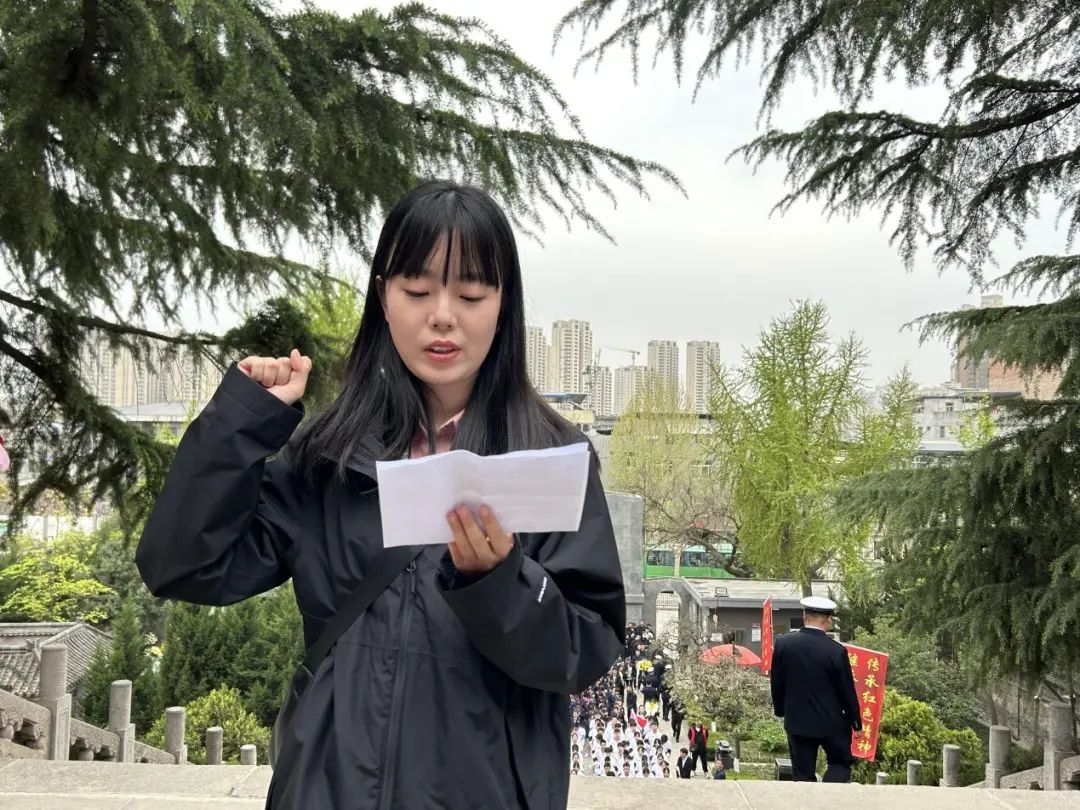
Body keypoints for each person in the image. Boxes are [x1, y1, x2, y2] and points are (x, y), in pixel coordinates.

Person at [136, 181, 627, 810]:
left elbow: (585, 652)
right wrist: (240, 424)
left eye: (471, 294)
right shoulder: (328, 455)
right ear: (383, 298)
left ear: (503, 304)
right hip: (327, 789)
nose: (442, 316)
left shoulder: (548, 460)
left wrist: (500, 583)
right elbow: (185, 567)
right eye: (417, 291)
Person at [769, 596, 862, 783]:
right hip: (832, 723)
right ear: (829, 619)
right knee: (840, 764)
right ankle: (830, 794)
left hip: (798, 721)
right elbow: (847, 691)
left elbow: (777, 683)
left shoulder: (784, 644)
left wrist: (781, 711)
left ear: (804, 615)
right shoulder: (836, 651)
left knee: (803, 775)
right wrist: (856, 724)